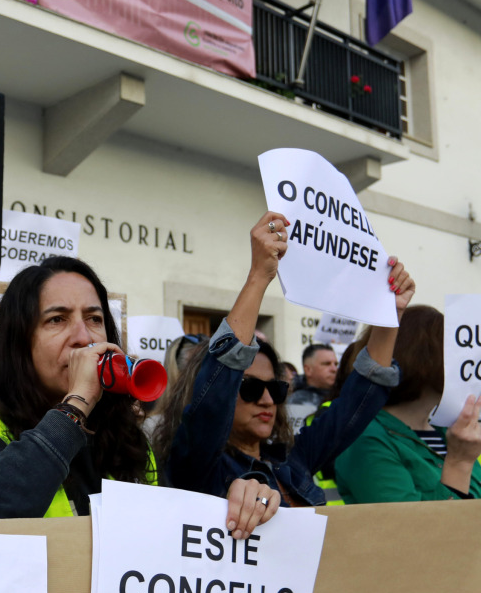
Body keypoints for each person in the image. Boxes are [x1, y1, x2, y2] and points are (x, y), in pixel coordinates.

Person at [0, 255, 280, 538]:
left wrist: (239, 500)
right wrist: (76, 405)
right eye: (57, 320)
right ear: (20, 343)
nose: (82, 336)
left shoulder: (127, 438)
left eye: (94, 319)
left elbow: (168, 535)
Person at [160, 212, 412, 507]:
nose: (267, 400)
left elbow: (359, 400)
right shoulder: (195, 465)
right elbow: (216, 390)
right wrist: (259, 276)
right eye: (250, 388)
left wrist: (389, 314)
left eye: (276, 389)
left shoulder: (294, 458)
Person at [332, 306, 481, 503]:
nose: (468, 368)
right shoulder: (366, 438)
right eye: (456, 354)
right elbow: (412, 529)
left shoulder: (448, 432)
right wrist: (459, 463)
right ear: (424, 361)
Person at [285, 342, 338, 422]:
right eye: (327, 364)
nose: (334, 369)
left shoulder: (345, 397)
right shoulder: (293, 401)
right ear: (308, 370)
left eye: (336, 364)